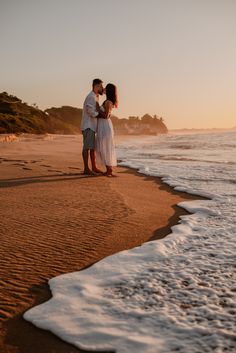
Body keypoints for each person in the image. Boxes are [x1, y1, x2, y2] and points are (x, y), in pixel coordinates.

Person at [81, 78, 105, 175]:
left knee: (92, 148)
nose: (102, 88)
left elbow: (97, 109)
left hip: (92, 126)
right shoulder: (91, 96)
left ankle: (94, 167)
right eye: (101, 86)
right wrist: (101, 114)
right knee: (87, 147)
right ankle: (86, 169)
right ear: (96, 86)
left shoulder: (96, 96)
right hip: (88, 125)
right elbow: (91, 112)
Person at [96, 83, 118, 176]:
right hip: (103, 125)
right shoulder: (108, 101)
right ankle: (109, 169)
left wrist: (98, 109)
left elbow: (106, 116)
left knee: (105, 147)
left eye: (105, 88)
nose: (103, 88)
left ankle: (109, 170)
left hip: (105, 126)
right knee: (104, 147)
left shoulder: (108, 102)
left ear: (108, 91)